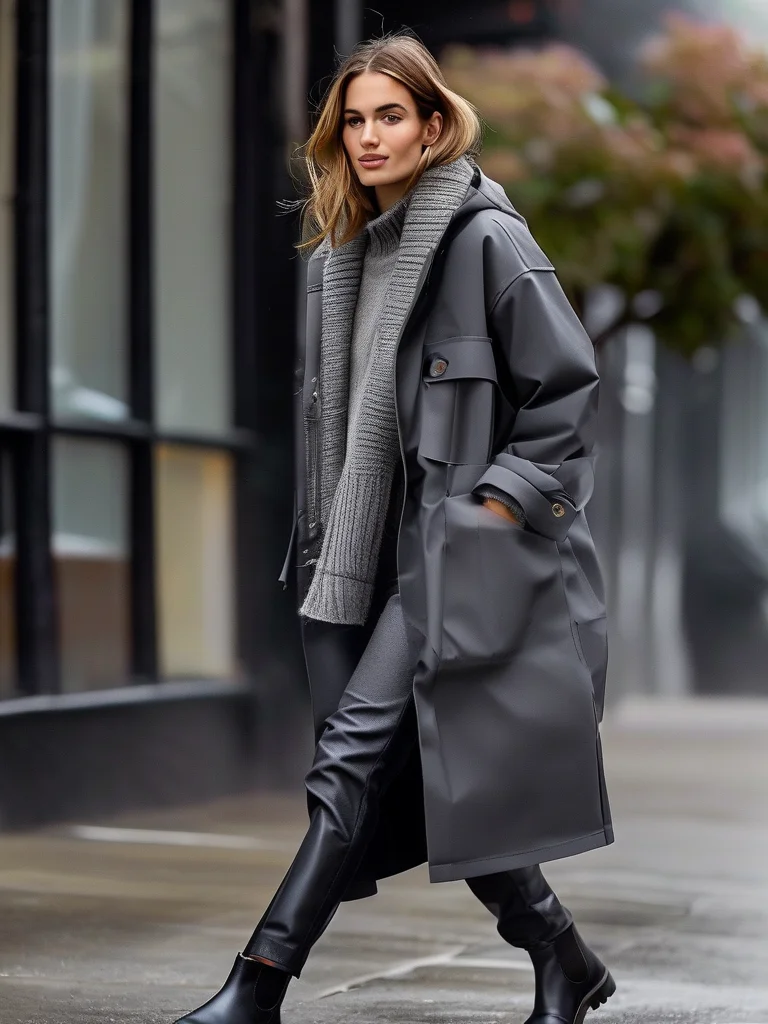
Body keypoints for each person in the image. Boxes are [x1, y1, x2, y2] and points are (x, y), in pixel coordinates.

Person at [174, 30, 615, 1024]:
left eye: (390, 116)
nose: (370, 137)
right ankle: (565, 956)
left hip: (451, 556)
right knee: (426, 789)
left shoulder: (484, 239)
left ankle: (259, 983)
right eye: (355, 119)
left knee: (349, 766)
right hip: (362, 561)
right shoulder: (339, 257)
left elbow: (565, 393)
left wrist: (490, 511)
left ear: (432, 124)